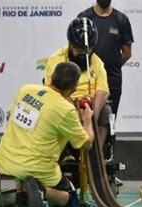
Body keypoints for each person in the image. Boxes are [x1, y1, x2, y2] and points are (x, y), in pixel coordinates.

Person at [0, 62, 95, 207]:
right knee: (72, 200)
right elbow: (86, 144)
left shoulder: (25, 90)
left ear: (51, 78)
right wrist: (87, 120)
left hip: (4, 161)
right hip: (35, 169)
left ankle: (22, 194)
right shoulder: (65, 109)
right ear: (74, 87)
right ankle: (42, 191)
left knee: (25, 142)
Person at [44, 17, 110, 150]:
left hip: (89, 106)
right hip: (65, 101)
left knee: (106, 111)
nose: (84, 54)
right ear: (71, 44)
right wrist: (74, 111)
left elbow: (102, 91)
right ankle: (65, 153)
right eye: (80, 50)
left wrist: (93, 114)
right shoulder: (55, 60)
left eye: (88, 50)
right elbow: (53, 91)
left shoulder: (97, 62)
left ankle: (97, 151)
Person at [78, 0, 134, 116]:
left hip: (112, 78)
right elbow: (77, 48)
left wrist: (111, 65)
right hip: (88, 77)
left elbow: (127, 52)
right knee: (88, 115)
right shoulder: (84, 18)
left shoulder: (121, 19)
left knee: (110, 117)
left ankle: (110, 134)